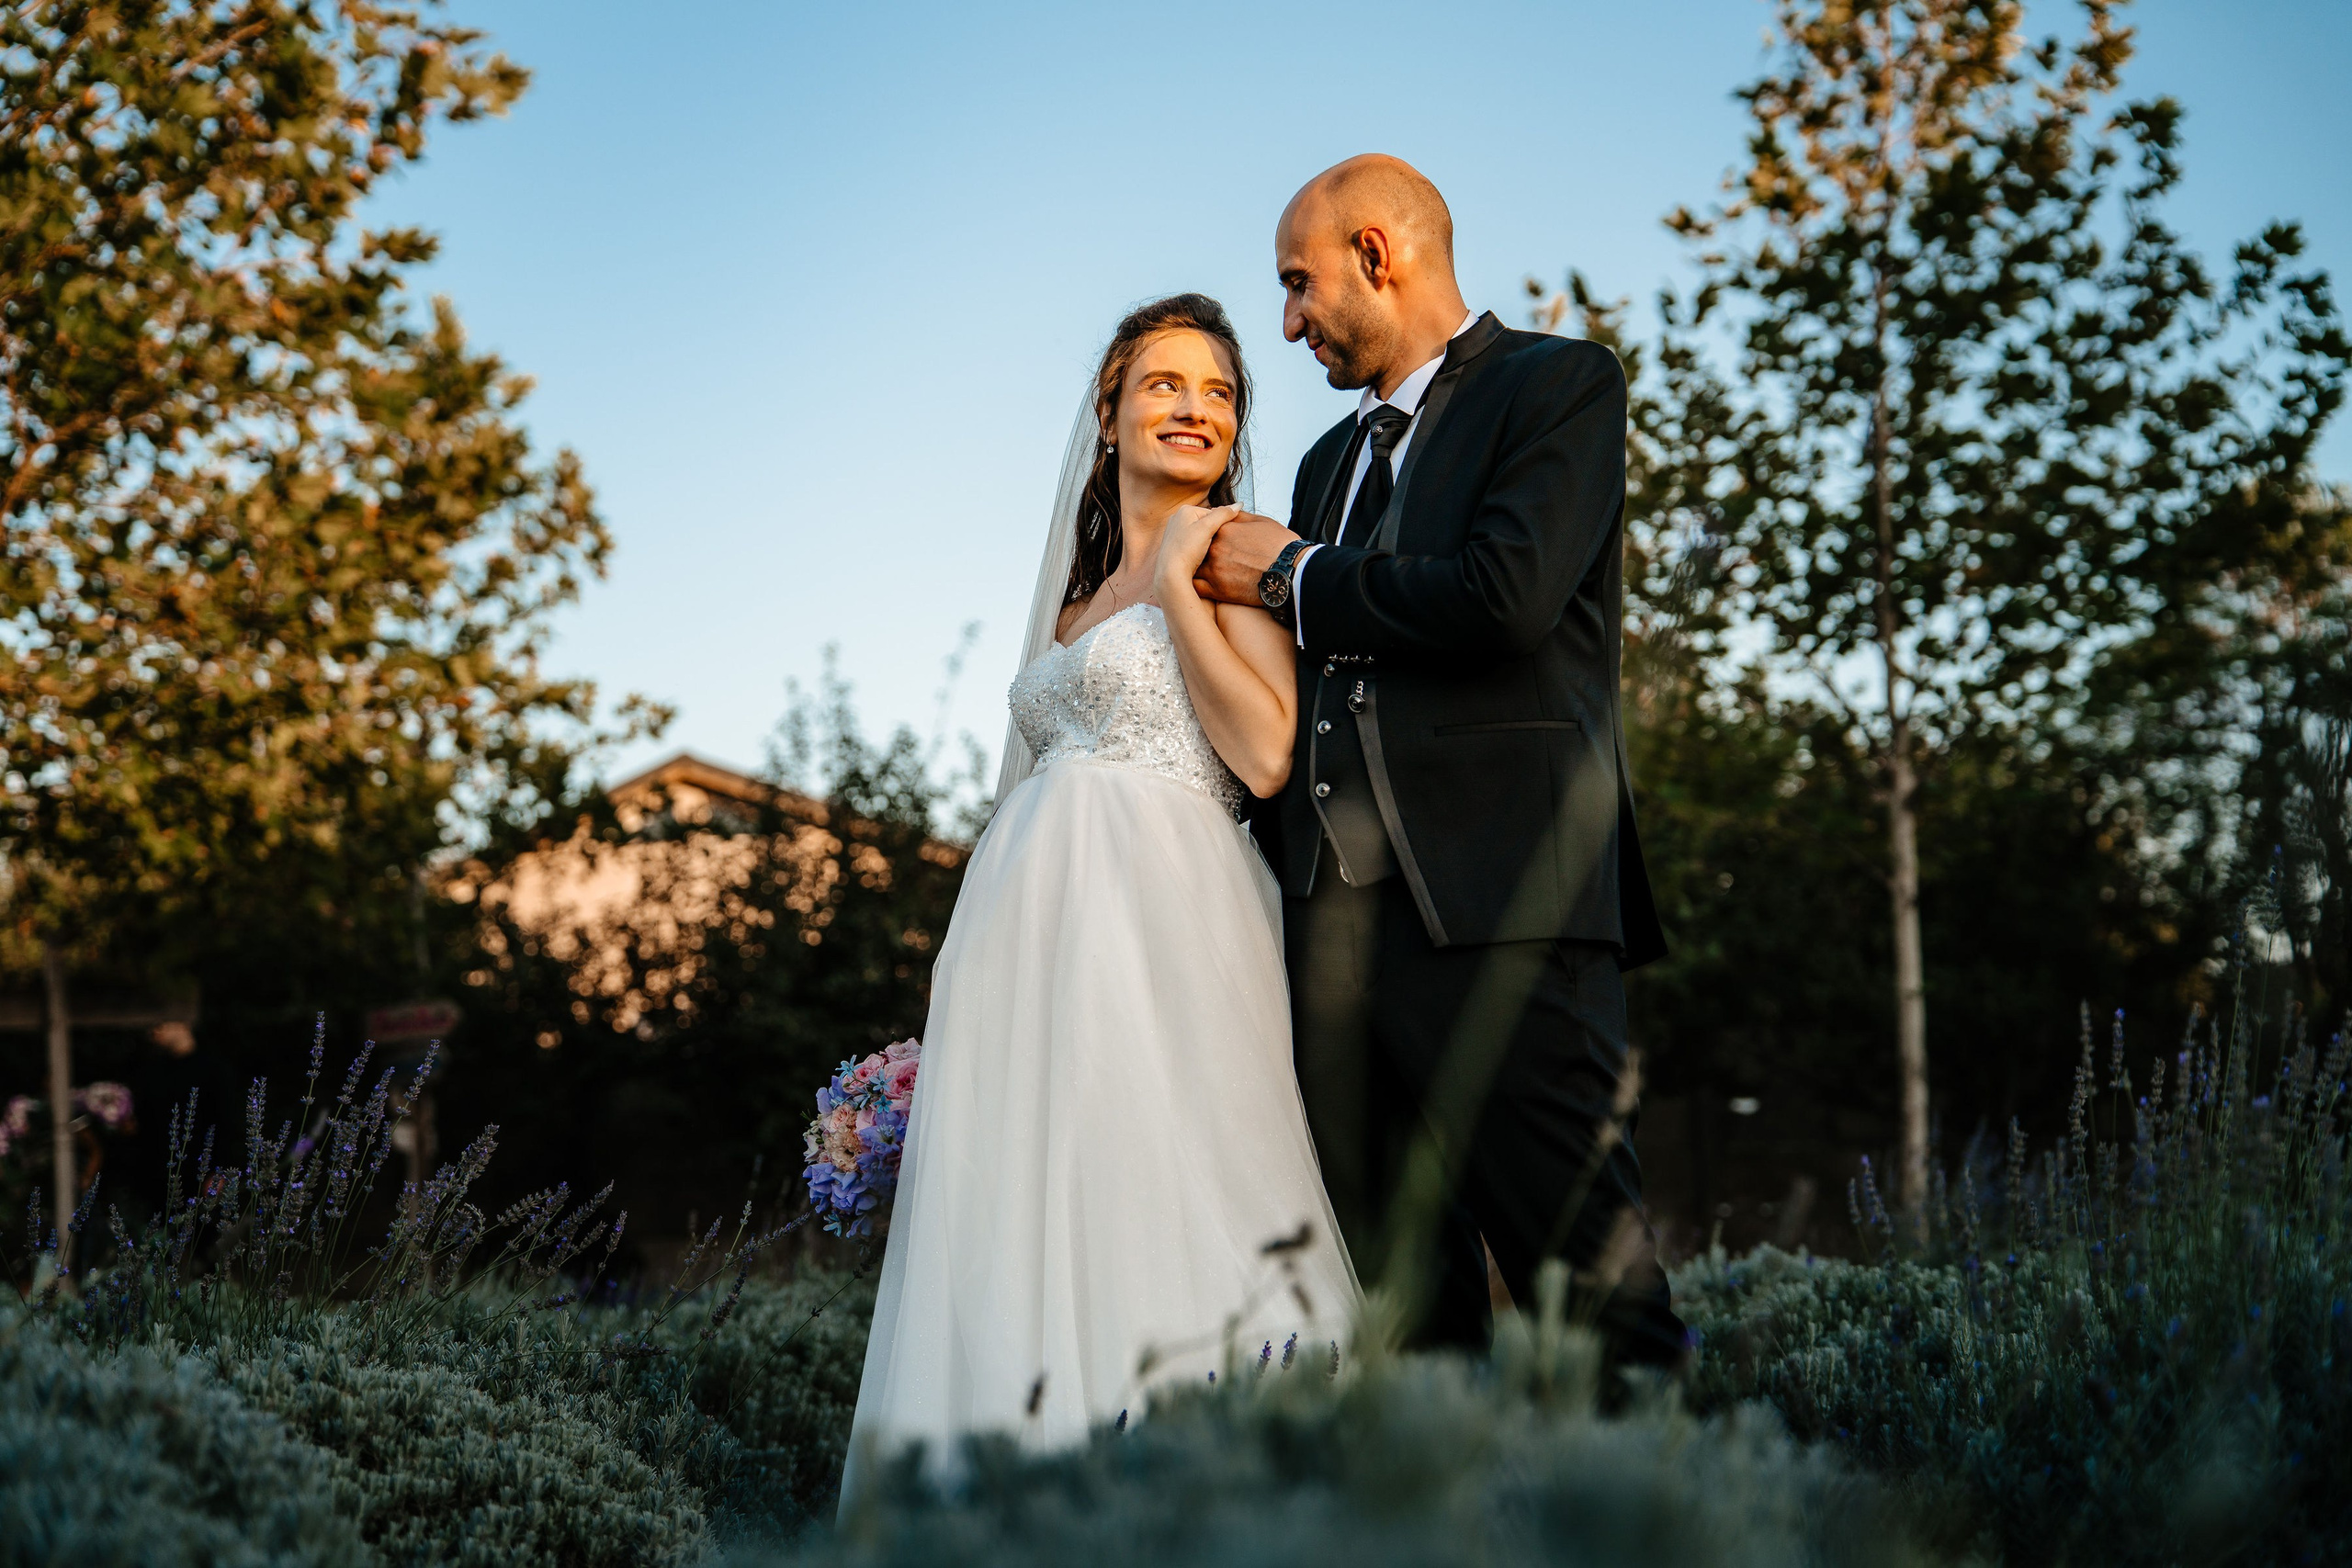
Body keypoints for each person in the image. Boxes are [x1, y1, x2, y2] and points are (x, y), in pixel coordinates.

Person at [839, 294, 1358, 1512]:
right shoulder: (1073, 596)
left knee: (1167, 1180)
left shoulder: (1235, 550)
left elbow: (1269, 754)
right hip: (1024, 944)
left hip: (1165, 916)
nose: (1195, 407)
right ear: (1110, 408)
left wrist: (1181, 592)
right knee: (1030, 1208)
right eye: (1167, 383)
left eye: (1220, 391)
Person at [1194, 155, 1687, 1369]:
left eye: (1299, 284)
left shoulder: (1559, 385)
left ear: (1378, 252)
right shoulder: (1320, 468)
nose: (1290, 321)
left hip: (1506, 908)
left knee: (1593, 1304)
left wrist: (1294, 574)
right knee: (1408, 1320)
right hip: (1333, 945)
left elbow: (1504, 599)